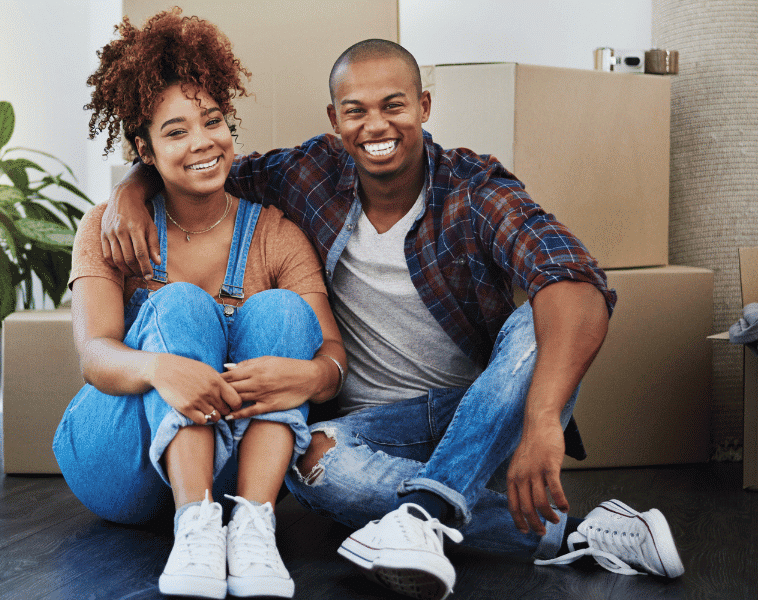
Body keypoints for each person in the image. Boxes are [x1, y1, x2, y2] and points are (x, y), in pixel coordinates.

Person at [101, 38, 684, 600]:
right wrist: (129, 187)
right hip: (372, 430)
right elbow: (201, 162)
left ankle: (422, 515)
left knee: (541, 316)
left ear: (423, 107)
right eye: (355, 111)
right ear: (335, 118)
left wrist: (542, 419)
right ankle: (576, 532)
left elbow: (576, 280)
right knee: (311, 465)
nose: (374, 126)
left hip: (484, 414)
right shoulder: (310, 174)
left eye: (394, 106)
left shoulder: (474, 189)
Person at [51, 10, 346, 600]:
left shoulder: (275, 234)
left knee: (285, 314)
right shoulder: (109, 228)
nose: (202, 143)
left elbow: (331, 348)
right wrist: (159, 368)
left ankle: (253, 527)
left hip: (239, 467)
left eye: (212, 122)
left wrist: (313, 374)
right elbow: (93, 355)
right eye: (176, 131)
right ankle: (194, 525)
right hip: (121, 462)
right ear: (145, 149)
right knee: (181, 303)